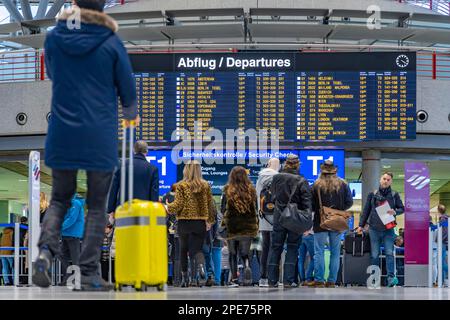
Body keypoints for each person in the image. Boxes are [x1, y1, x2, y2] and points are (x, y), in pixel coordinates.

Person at [32, 0, 138, 291]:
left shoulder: (54, 37)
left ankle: (44, 254)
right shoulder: (111, 41)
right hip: (99, 134)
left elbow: (54, 74)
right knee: (95, 206)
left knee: (59, 199)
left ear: (75, 5)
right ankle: (88, 273)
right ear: (102, 9)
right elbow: (128, 90)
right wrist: (130, 113)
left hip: (63, 130)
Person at [166, 160, 216, 287]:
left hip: (184, 222)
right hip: (200, 222)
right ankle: (201, 267)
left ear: (186, 170)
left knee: (183, 249)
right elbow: (210, 205)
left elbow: (179, 204)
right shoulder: (205, 186)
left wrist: (167, 207)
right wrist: (209, 221)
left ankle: (184, 279)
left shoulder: (181, 186)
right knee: (197, 249)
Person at [268, 154, 312, 288]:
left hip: (279, 217)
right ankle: (288, 280)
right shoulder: (301, 180)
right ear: (298, 164)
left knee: (276, 247)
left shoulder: (276, 178)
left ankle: (272, 280)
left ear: (285, 164)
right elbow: (307, 203)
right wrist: (307, 221)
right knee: (292, 248)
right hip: (294, 218)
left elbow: (272, 197)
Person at [310, 160, 353, 288]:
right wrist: (337, 211)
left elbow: (311, 205)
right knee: (335, 252)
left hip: (320, 222)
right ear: (335, 171)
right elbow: (349, 202)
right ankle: (332, 281)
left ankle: (319, 280)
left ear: (322, 171)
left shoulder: (316, 185)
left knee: (319, 251)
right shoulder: (343, 184)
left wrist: (322, 210)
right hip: (338, 222)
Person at [358, 172, 405, 287]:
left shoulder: (394, 195)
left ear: (391, 182)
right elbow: (366, 211)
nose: (386, 181)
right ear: (380, 179)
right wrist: (360, 225)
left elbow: (402, 208)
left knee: (389, 253)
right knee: (374, 255)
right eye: (384, 179)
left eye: (388, 179)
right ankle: (374, 279)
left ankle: (390, 279)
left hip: (389, 230)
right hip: (374, 229)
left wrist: (395, 211)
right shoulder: (372, 194)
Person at [221, 166, 259, 287]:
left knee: (233, 253)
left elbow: (223, 209)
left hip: (232, 226)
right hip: (248, 227)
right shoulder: (251, 190)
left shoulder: (227, 190)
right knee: (245, 253)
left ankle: (234, 279)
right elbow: (256, 209)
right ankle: (247, 267)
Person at [107, 140, 159, 214]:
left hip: (123, 210)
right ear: (146, 151)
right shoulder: (153, 169)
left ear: (134, 151)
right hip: (143, 211)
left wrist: (111, 209)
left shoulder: (122, 166)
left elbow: (114, 189)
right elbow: (154, 193)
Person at [255, 157, 280, 287]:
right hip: (276, 219)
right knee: (275, 248)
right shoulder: (279, 178)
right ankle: (273, 278)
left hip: (263, 219)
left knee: (265, 248)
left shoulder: (260, 178)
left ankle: (263, 277)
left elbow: (257, 197)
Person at [59, 194, 85, 285]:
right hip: (65, 233)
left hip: (73, 234)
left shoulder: (76, 203)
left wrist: (60, 226)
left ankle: (77, 279)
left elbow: (72, 219)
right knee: (61, 255)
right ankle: (68, 277)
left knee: (75, 258)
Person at [438, 204, 448, 284]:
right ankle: (442, 280)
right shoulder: (447, 218)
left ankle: (442, 281)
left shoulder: (443, 219)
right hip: (446, 242)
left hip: (443, 243)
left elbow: (444, 231)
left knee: (442, 261)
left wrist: (440, 240)